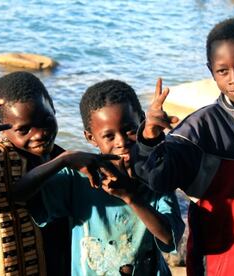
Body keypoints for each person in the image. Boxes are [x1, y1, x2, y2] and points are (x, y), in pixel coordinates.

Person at [132, 18, 234, 275]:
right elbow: (157, 179)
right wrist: (149, 138)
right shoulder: (201, 129)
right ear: (211, 70)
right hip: (222, 266)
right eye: (223, 71)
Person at [0, 71, 114, 275]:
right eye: (24, 130)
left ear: (53, 108)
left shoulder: (63, 157)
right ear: (2, 129)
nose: (40, 134)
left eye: (46, 120)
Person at [15, 79, 185, 275]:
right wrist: (64, 159)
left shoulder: (155, 174)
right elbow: (19, 194)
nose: (121, 142)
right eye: (109, 136)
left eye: (129, 130)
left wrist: (130, 196)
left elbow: (170, 238)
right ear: (90, 138)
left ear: (141, 121)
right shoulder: (78, 179)